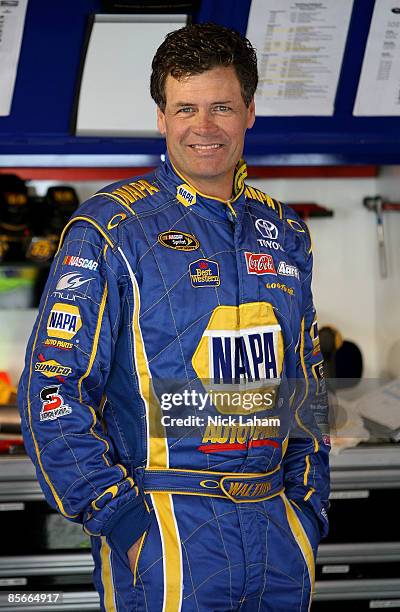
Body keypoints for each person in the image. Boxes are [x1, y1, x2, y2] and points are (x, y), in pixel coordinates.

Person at [18, 22, 330, 611]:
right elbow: (53, 390)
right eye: (185, 108)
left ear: (249, 112)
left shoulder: (286, 232)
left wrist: (307, 511)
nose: (204, 127)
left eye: (221, 107)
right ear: (162, 117)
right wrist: (127, 527)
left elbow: (305, 384)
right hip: (166, 534)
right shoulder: (110, 230)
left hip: (278, 540)